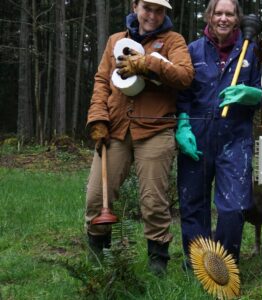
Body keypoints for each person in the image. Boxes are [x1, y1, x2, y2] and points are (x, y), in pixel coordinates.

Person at [85, 0, 194, 276]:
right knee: (98, 196)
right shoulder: (115, 41)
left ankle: (157, 265)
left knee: (154, 202)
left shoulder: (173, 41)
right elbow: (101, 82)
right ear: (135, 6)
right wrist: (98, 118)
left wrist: (148, 63)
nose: (153, 16)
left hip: (155, 128)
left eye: (159, 10)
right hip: (116, 128)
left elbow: (185, 76)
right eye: (147, 8)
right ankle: (100, 261)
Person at [176, 0, 262, 267]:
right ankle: (198, 266)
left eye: (229, 13)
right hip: (197, 137)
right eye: (218, 13)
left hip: (235, 139)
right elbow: (183, 95)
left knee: (233, 208)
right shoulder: (192, 51)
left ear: (237, 18)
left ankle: (223, 268)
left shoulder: (250, 51)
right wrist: (182, 125)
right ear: (209, 17)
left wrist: (251, 94)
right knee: (193, 205)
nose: (223, 18)